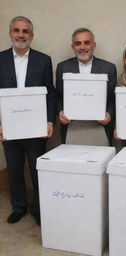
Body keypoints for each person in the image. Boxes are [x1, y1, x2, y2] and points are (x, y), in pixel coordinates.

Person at [0, 16, 56, 225]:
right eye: (16, 30)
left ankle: (39, 208)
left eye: (25, 31)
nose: (20, 35)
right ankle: (19, 206)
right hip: (9, 127)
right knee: (14, 168)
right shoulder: (0, 59)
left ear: (31, 35)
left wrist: (50, 121)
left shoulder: (44, 60)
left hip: (36, 127)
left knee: (36, 168)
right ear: (10, 34)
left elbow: (50, 93)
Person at [56, 28, 117, 145]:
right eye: (78, 43)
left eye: (87, 43)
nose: (82, 47)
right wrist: (60, 112)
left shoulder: (108, 68)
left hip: (99, 127)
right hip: (72, 126)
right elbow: (58, 96)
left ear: (94, 45)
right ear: (73, 47)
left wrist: (109, 114)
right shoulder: (62, 67)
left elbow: (112, 98)